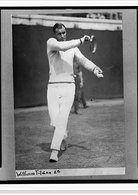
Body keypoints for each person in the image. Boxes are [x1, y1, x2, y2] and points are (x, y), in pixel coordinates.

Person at [46, 23, 103, 162]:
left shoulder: (74, 49)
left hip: (69, 86)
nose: (62, 36)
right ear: (55, 34)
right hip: (53, 87)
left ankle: (54, 151)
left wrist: (95, 68)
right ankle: (62, 137)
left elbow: (84, 60)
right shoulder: (51, 43)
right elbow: (62, 46)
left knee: (62, 119)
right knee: (54, 121)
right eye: (59, 33)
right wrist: (82, 40)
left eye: (64, 32)